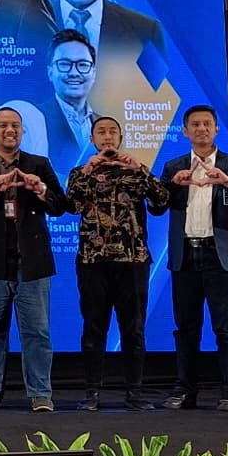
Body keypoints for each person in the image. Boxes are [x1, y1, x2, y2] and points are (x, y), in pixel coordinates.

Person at [158, 104, 228, 414]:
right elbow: (156, 207)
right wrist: (172, 185)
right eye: (195, 124)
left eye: (207, 124)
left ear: (217, 129)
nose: (201, 129)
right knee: (185, 328)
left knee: (225, 327)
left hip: (221, 256)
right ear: (185, 131)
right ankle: (185, 390)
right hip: (185, 255)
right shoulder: (173, 165)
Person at [0, 107, 66, 412]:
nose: (10, 130)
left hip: (32, 262)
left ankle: (41, 393)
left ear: (22, 131)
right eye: (3, 125)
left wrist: (40, 189)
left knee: (37, 333)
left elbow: (60, 206)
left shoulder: (39, 164)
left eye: (16, 125)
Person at [64, 116, 169, 411]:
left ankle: (134, 393)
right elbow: (70, 205)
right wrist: (89, 169)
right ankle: (92, 393)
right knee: (94, 327)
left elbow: (161, 203)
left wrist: (140, 170)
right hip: (92, 261)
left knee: (133, 328)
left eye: (113, 132)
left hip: (133, 260)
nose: (107, 136)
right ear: (92, 139)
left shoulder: (135, 171)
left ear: (121, 139)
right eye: (101, 132)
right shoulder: (80, 173)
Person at [41, 29, 102, 174]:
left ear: (94, 74)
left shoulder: (104, 124)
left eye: (83, 65)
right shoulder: (35, 119)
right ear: (50, 72)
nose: (74, 73)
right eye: (64, 64)